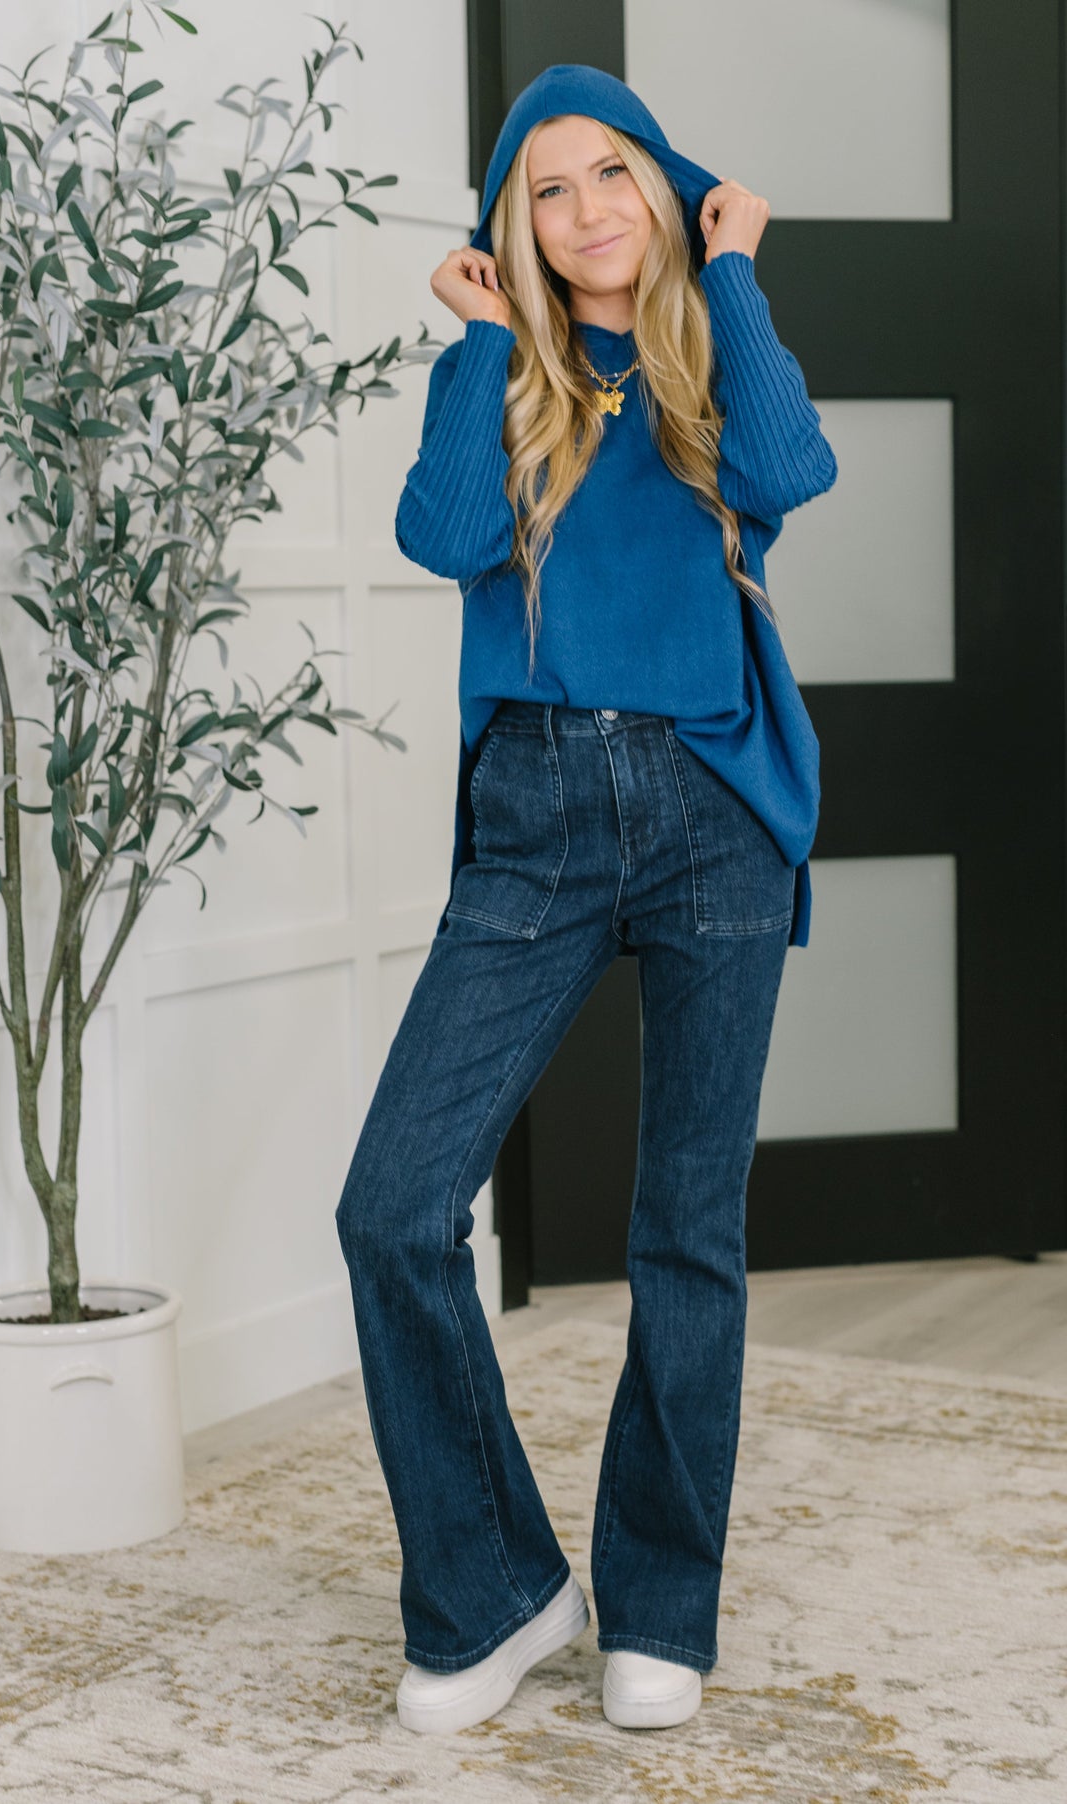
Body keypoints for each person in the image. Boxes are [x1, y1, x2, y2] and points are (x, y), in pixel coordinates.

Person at [334, 63, 837, 1737]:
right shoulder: (496, 376)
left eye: (610, 173)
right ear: (516, 229)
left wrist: (741, 263)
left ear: (662, 187)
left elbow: (793, 469)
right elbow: (441, 534)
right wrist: (488, 344)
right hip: (538, 817)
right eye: (546, 191)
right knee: (396, 1208)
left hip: (713, 809)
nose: (584, 212)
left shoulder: (708, 356)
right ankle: (495, 1587)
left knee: (684, 1233)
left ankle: (660, 1601)